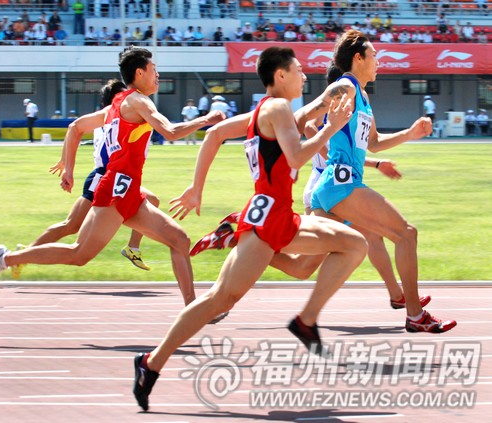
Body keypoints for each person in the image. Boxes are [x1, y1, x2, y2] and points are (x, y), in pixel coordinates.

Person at [131, 46, 368, 412]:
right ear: (281, 76)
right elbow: (297, 157)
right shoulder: (276, 109)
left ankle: (305, 320)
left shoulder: (268, 110)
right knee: (218, 301)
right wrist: (332, 128)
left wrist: (197, 188)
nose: (305, 76)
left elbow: (213, 136)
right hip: (265, 223)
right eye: (299, 70)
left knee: (349, 246)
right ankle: (150, 363)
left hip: (278, 218)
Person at [0, 47, 225, 309]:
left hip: (129, 189)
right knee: (79, 254)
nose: (158, 75)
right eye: (154, 70)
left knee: (179, 240)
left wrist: (69, 168)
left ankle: (193, 308)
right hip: (115, 189)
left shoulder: (118, 103)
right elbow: (169, 131)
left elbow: (75, 127)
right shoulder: (138, 101)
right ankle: (6, 259)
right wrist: (207, 119)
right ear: (140, 73)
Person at [306, 30, 456, 334]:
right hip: (340, 184)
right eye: (374, 55)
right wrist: (281, 123)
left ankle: (244, 231)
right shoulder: (345, 87)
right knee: (406, 234)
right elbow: (309, 117)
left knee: (301, 265)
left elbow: (372, 142)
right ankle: (414, 313)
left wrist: (410, 133)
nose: (379, 61)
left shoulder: (362, 94)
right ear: (358, 58)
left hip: (331, 189)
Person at [13, 80, 157, 279]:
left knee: (152, 200)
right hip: (104, 178)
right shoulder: (113, 118)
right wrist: (67, 166)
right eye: (126, 96)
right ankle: (20, 255)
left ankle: (133, 247)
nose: (131, 100)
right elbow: (75, 129)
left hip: (115, 179)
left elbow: (76, 131)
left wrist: (65, 162)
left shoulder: (114, 118)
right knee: (71, 226)